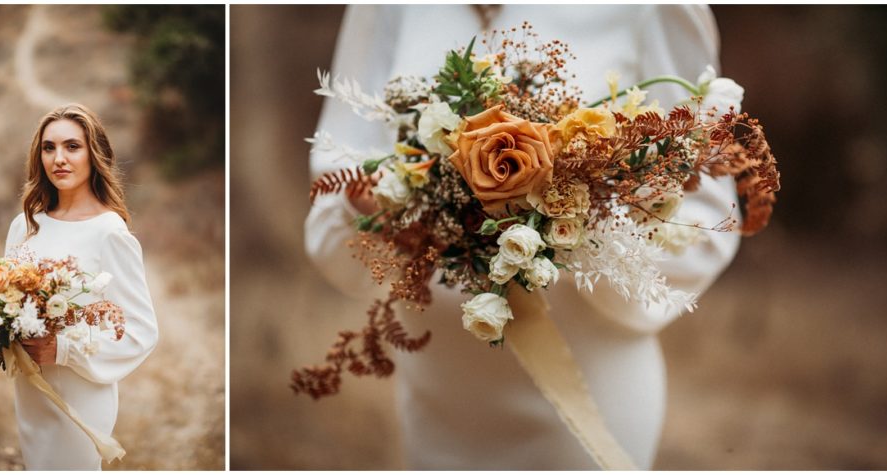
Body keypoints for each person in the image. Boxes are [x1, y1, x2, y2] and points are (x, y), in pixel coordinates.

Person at [305, 5, 741, 470]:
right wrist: (378, 206)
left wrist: (570, 227)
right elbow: (336, 186)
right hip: (439, 394)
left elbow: (707, 214)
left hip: (583, 389)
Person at [4, 104, 159, 470]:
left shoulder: (109, 232)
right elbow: (6, 306)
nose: (59, 158)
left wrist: (64, 349)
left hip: (80, 394)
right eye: (49, 147)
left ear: (94, 154)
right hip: (30, 392)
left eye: (73, 146)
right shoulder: (24, 227)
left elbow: (142, 331)